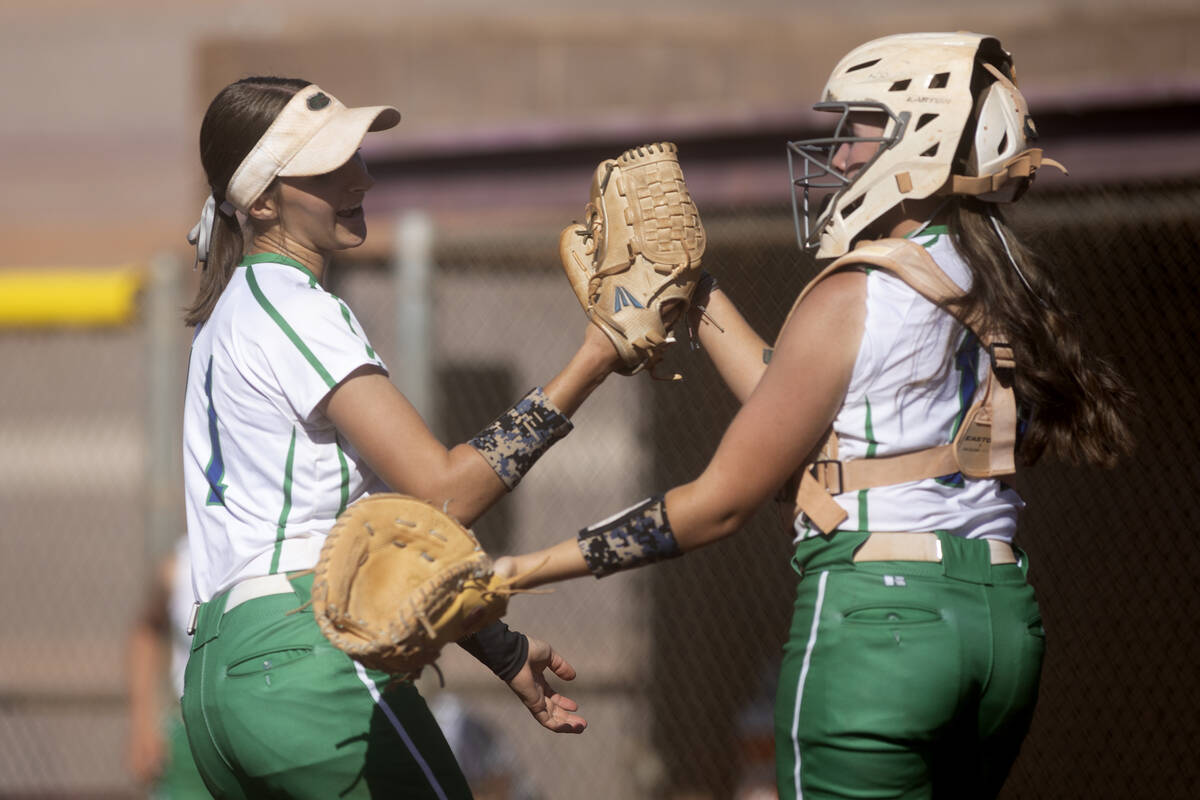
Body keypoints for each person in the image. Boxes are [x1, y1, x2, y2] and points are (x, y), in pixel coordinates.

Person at [494, 32, 1135, 799]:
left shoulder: (854, 290)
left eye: (860, 126)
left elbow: (718, 504)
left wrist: (522, 572)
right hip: (1001, 625)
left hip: (878, 624)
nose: (838, 152)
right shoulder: (996, 283)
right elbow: (805, 405)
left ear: (920, 138)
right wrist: (695, 293)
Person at [180, 76, 621, 799]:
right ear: (261, 200)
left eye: (353, 156)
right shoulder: (294, 303)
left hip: (216, 687)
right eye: (327, 166)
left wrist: (500, 646)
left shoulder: (226, 320)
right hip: (306, 655)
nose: (361, 175)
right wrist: (596, 358)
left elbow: (389, 521)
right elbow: (444, 493)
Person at [126, 538, 210, 798]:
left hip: (256, 733)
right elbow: (147, 631)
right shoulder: (180, 564)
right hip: (188, 736)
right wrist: (142, 724)